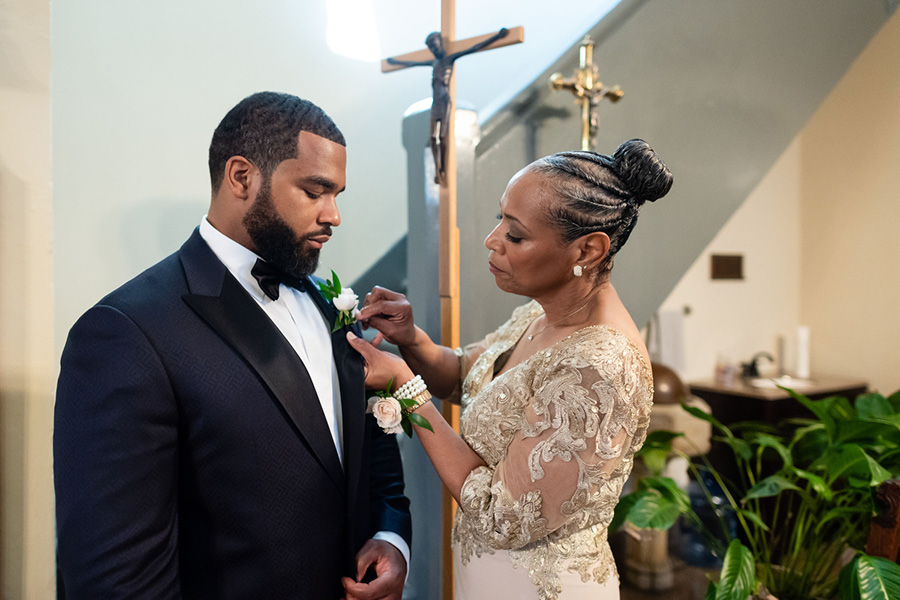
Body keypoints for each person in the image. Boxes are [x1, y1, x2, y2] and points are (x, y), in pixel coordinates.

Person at [54, 91, 412, 600]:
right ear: (241, 177)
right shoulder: (125, 332)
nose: (333, 215)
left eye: (338, 195)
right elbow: (115, 575)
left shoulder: (330, 307)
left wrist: (390, 537)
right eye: (314, 192)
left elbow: (371, 452)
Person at [349, 139, 673, 600]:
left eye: (515, 235)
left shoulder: (601, 368)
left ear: (588, 250)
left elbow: (501, 515)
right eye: (499, 218)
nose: (492, 239)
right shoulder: (540, 313)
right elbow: (470, 374)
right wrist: (413, 340)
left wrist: (406, 387)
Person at [386, 28, 508, 185]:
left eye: (435, 45)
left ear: (440, 43)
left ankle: (443, 168)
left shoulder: (448, 59)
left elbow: (474, 47)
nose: (434, 49)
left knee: (442, 136)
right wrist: (395, 62)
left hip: (444, 100)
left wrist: (497, 36)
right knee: (432, 137)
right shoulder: (434, 62)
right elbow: (414, 63)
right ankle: (438, 169)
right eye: (431, 47)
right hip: (435, 102)